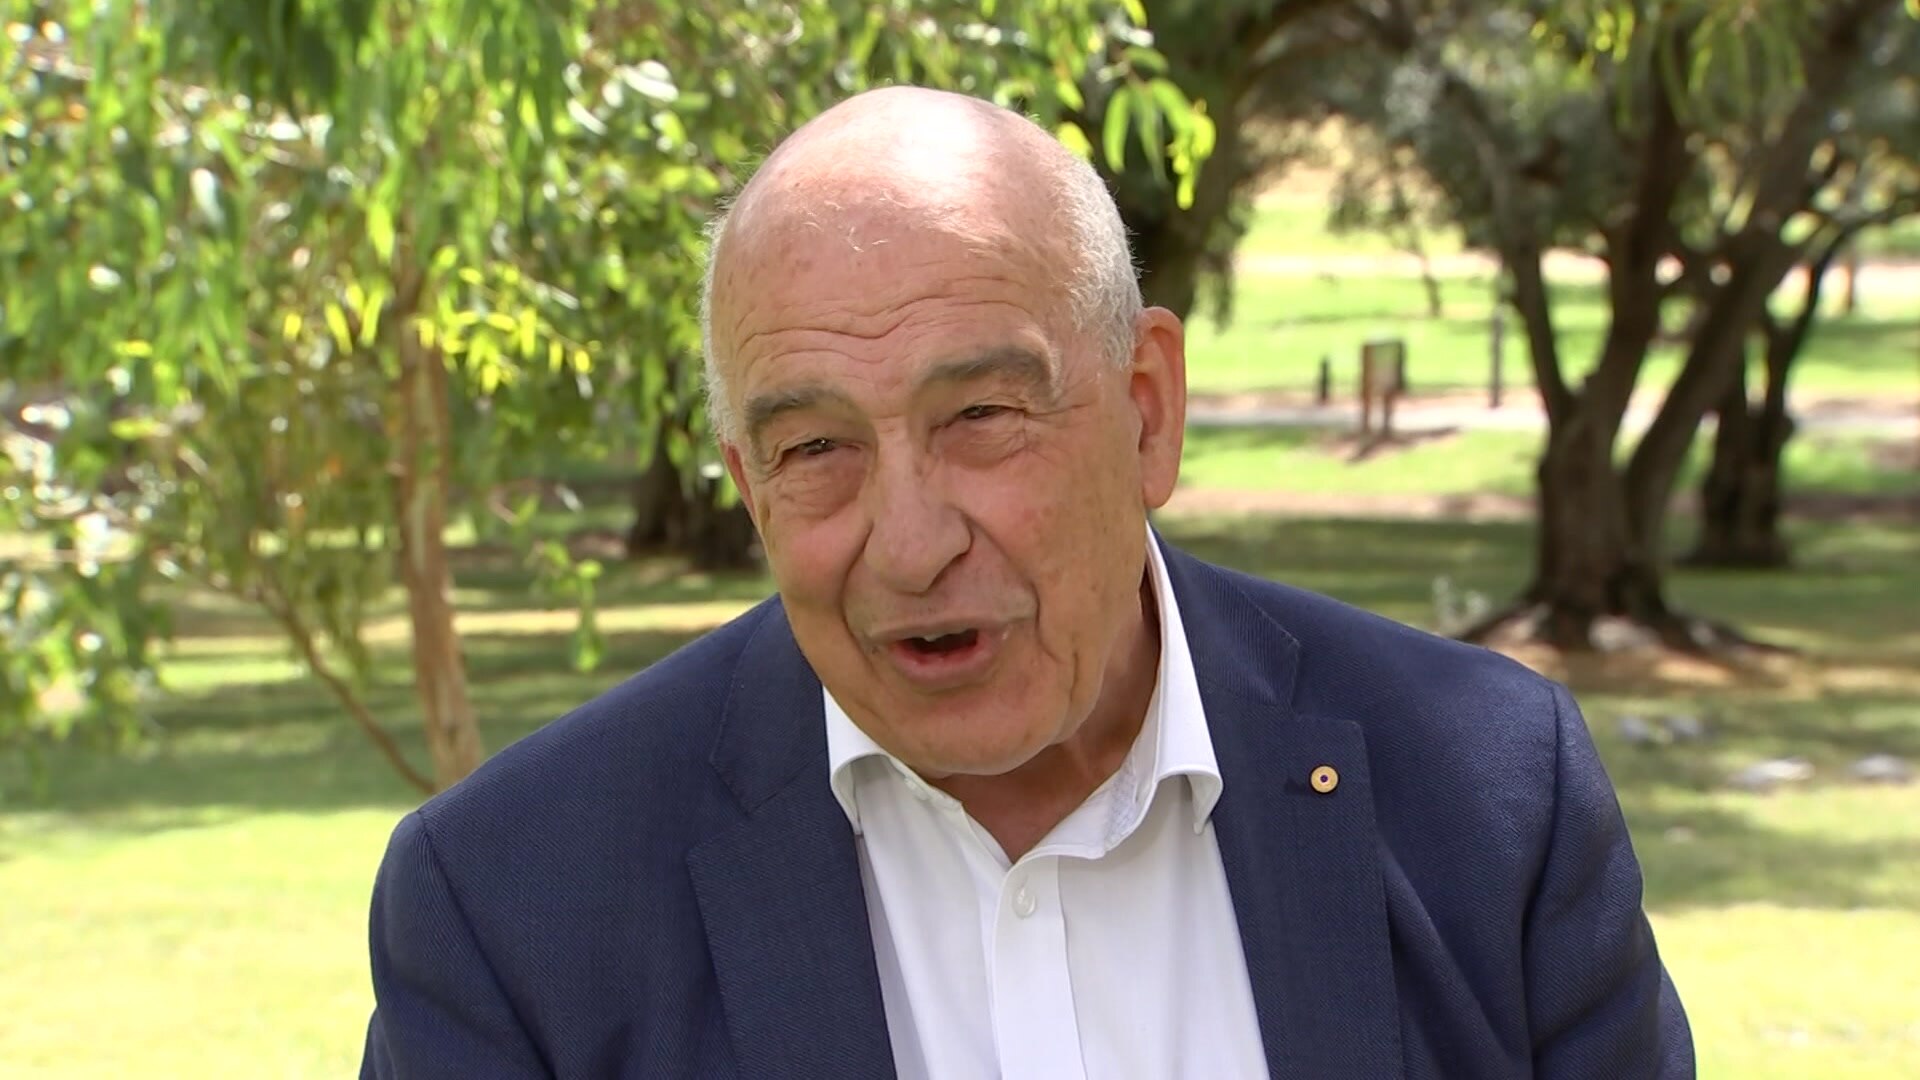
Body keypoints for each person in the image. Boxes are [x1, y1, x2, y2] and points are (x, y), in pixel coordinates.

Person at [359, 86, 1692, 1079]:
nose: (911, 542)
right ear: (749, 485)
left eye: (982, 416)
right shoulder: (512, 905)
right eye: (815, 448)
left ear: (1146, 409)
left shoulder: (1490, 804)